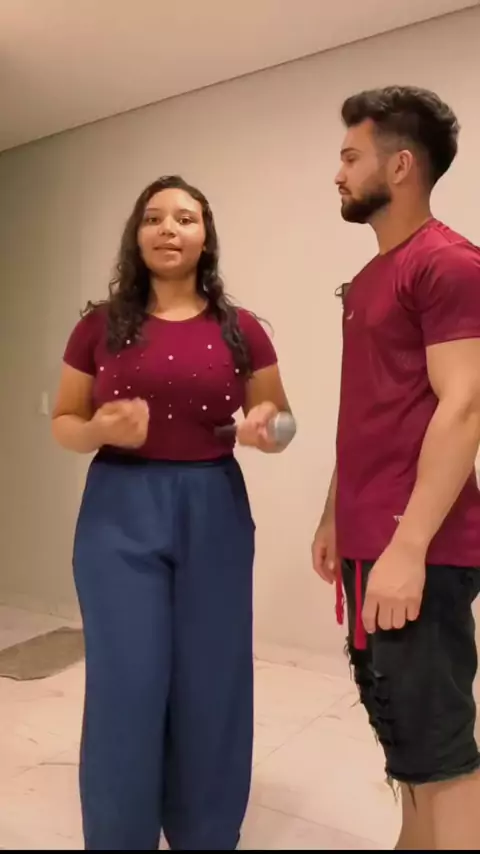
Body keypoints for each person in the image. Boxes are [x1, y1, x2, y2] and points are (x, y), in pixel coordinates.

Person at [52, 175, 293, 851]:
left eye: (185, 218)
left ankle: (205, 833)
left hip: (214, 506)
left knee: (212, 678)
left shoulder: (242, 330)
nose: (169, 229)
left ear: (205, 236)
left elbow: (283, 421)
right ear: (137, 234)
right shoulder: (98, 326)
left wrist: (267, 429)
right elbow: (65, 421)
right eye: (154, 217)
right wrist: (98, 428)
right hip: (118, 512)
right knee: (127, 680)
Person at [312, 86, 480, 851]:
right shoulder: (371, 278)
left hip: (420, 548)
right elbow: (370, 411)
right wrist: (333, 514)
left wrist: (408, 547)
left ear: (401, 166)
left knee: (440, 747)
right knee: (401, 728)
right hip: (368, 541)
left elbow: (464, 408)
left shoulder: (448, 264)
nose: (338, 173)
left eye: (352, 157)